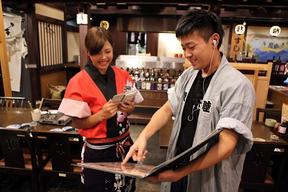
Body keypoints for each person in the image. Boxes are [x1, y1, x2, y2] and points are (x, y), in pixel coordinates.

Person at [122, 10, 255, 192]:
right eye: (183, 48)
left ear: (214, 40)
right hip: (178, 167)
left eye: (191, 47)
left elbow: (226, 145)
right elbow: (167, 109)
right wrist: (143, 136)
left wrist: (183, 172)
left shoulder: (237, 85)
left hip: (206, 177)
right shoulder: (189, 76)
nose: (187, 54)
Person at [58, 27, 143, 192]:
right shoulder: (77, 82)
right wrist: (100, 115)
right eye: (97, 53)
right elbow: (77, 123)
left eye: (108, 51)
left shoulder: (122, 75)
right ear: (89, 53)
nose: (104, 57)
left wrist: (130, 108)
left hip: (125, 146)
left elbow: (130, 110)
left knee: (127, 188)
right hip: (98, 152)